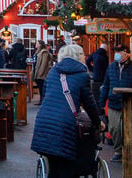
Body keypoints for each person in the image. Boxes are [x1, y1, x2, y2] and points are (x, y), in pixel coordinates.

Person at [31, 43, 102, 178]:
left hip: (44, 122)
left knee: (54, 166)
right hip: (64, 126)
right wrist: (98, 122)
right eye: (82, 55)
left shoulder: (52, 72)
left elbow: (46, 96)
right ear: (79, 57)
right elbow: (89, 104)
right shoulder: (82, 75)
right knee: (67, 167)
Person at [100, 43, 132, 162]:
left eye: (120, 51)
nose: (117, 54)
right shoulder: (111, 67)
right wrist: (101, 103)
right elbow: (106, 85)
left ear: (127, 53)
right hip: (114, 104)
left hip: (129, 105)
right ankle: (118, 150)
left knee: (127, 129)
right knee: (114, 129)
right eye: (116, 51)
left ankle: (127, 151)